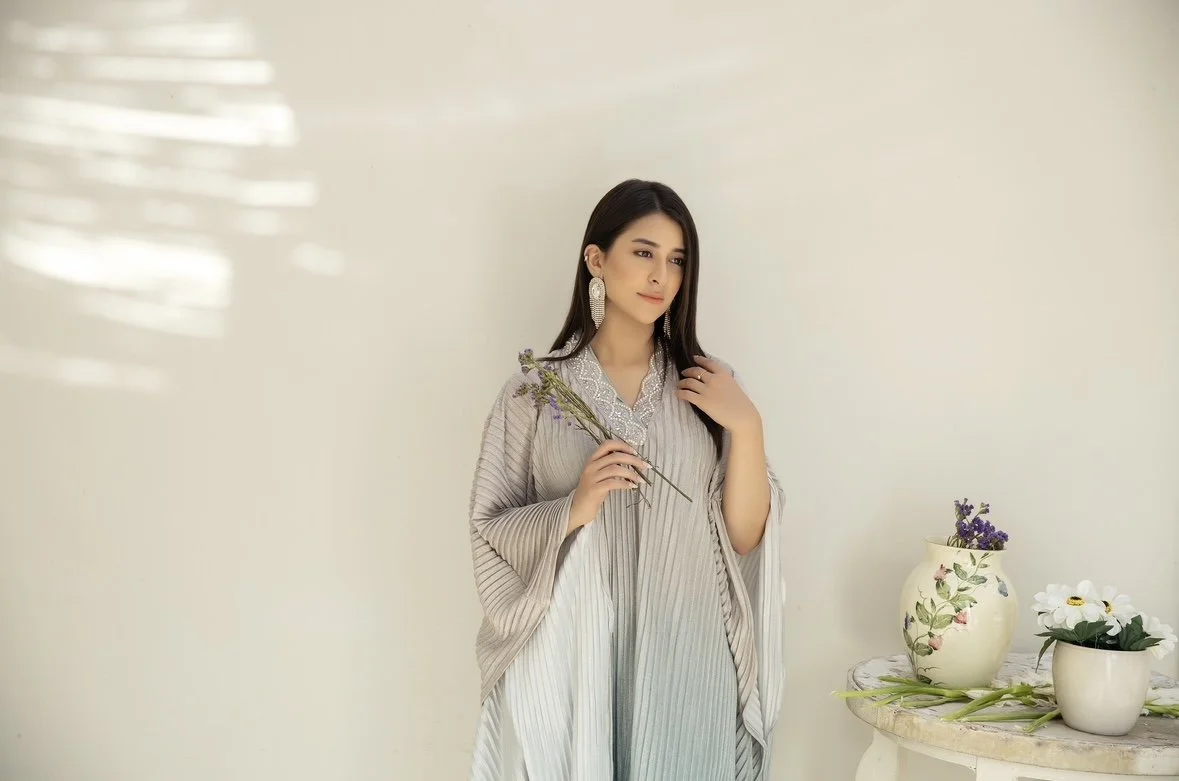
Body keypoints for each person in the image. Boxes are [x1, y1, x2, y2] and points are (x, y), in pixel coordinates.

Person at [467, 179, 786, 780]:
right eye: (643, 252)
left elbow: (744, 537)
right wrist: (575, 507)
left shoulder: (710, 387)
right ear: (596, 259)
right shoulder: (535, 392)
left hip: (686, 655)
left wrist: (747, 427)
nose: (661, 276)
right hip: (579, 660)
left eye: (677, 260)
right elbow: (490, 530)